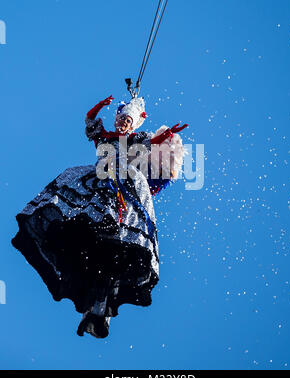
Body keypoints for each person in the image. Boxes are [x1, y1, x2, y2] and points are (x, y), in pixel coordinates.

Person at [12, 94, 188, 338]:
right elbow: (90, 120)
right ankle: (92, 300)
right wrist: (100, 105)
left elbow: (154, 141)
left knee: (112, 232)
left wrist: (168, 135)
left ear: (134, 123)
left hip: (121, 184)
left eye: (128, 120)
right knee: (85, 211)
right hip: (99, 181)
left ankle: (100, 307)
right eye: (121, 119)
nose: (123, 124)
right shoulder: (104, 137)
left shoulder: (135, 140)